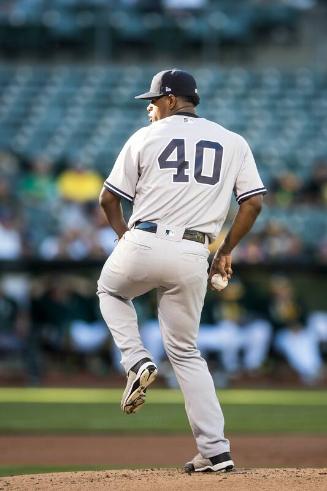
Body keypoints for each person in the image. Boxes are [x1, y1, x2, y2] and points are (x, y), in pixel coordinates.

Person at [97, 69, 266, 473]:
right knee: (187, 353)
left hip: (145, 238)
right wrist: (225, 250)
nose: (150, 108)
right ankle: (216, 452)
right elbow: (254, 203)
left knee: (111, 292)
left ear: (172, 100)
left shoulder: (144, 137)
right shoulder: (234, 141)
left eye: (153, 101)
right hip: (194, 252)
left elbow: (107, 199)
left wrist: (123, 237)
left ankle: (137, 361)